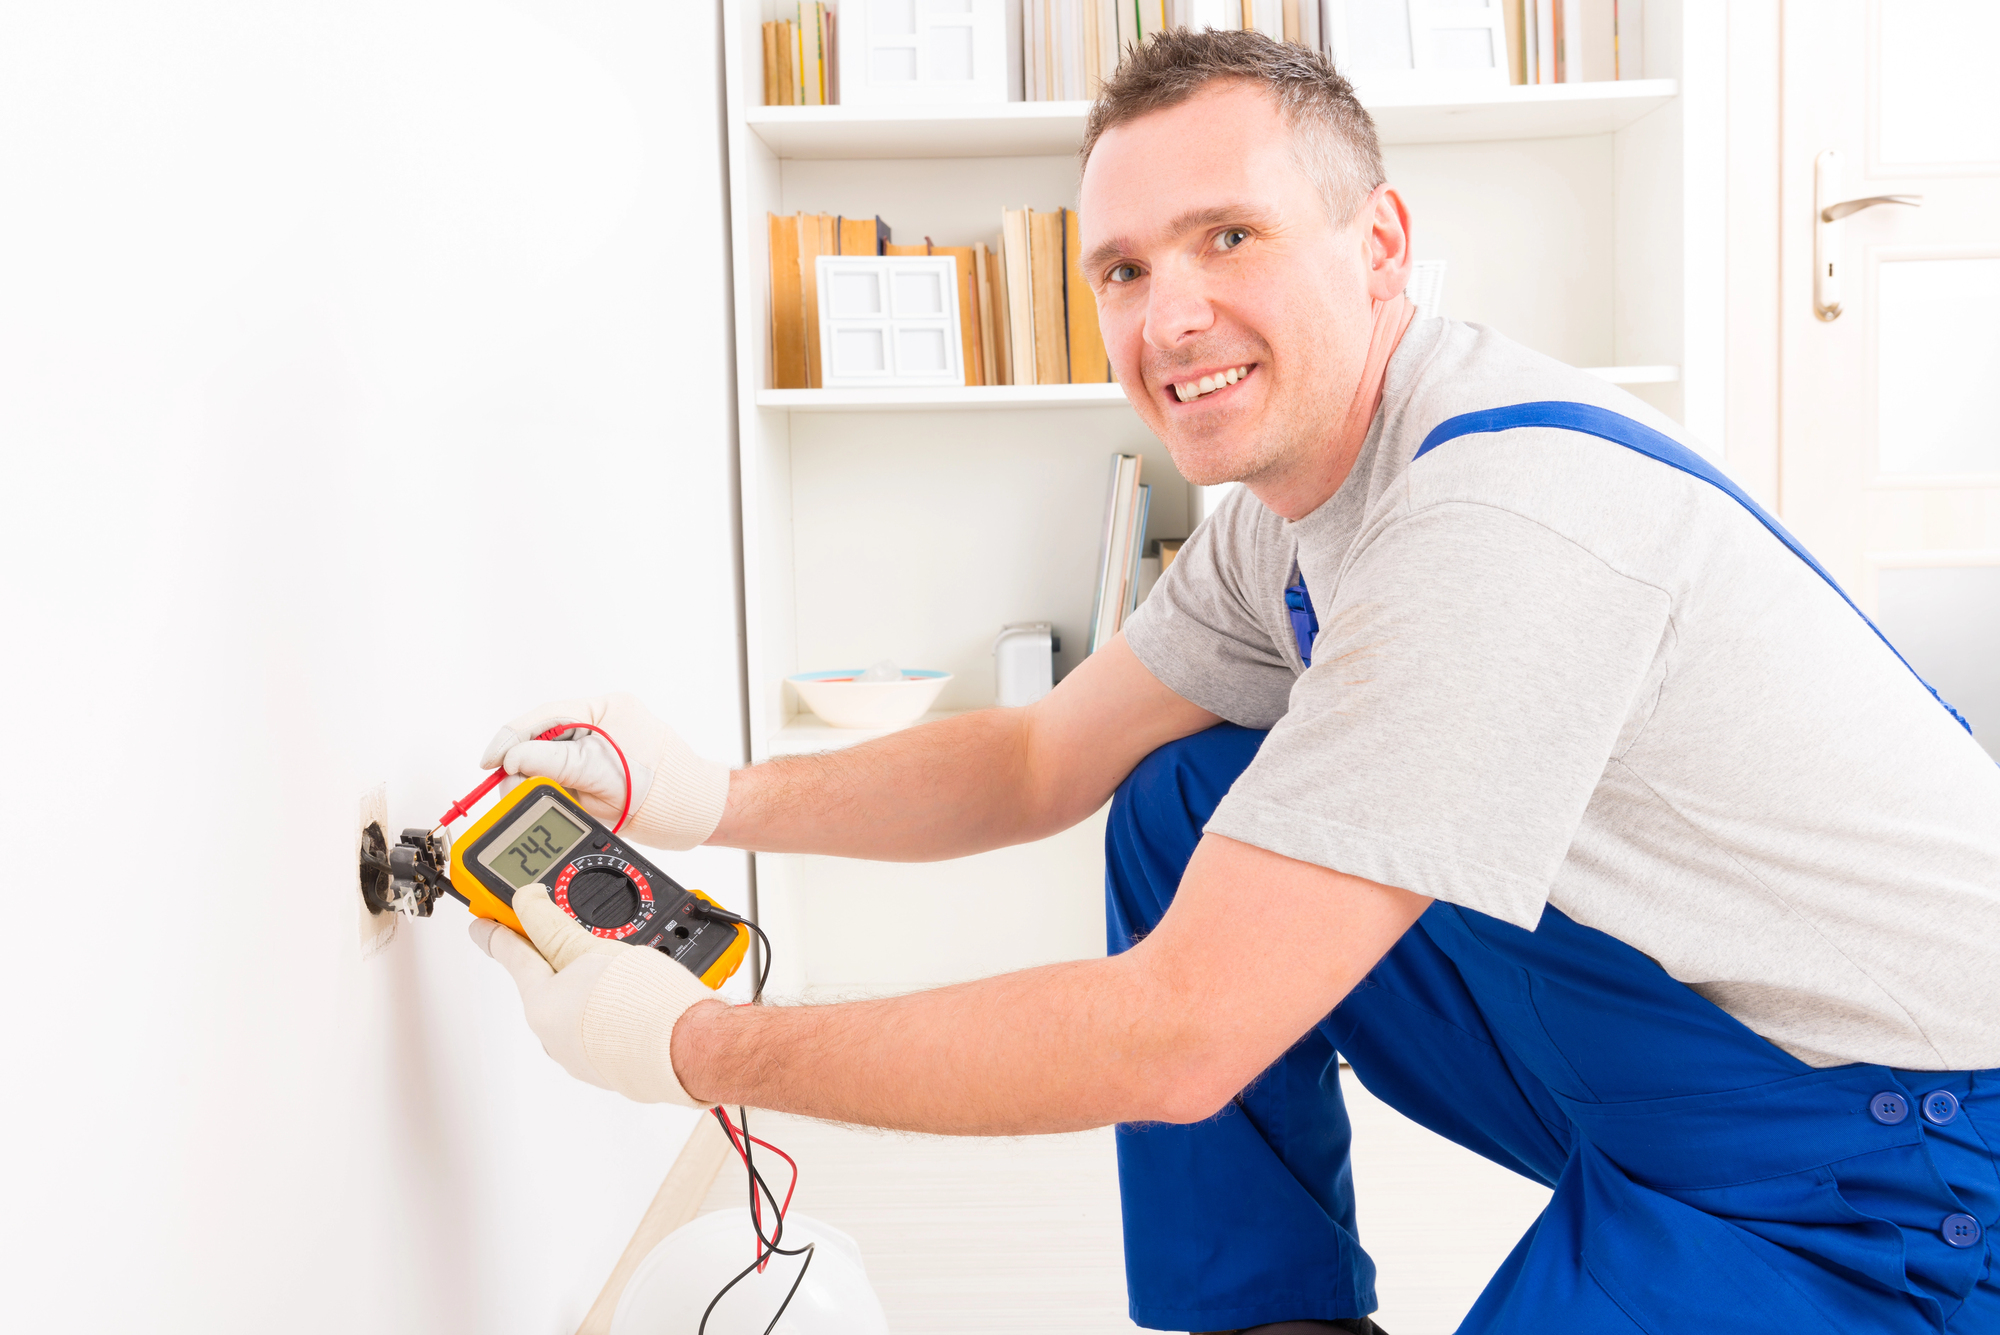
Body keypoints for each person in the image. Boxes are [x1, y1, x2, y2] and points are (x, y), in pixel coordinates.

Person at [469, 30, 2000, 1334]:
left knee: (1208, 944)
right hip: (1664, 1034)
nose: (1167, 315)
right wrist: (701, 795)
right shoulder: (1284, 510)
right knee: (1176, 797)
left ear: (1381, 242)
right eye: (1123, 269)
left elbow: (1178, 1032)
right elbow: (1034, 766)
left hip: (1890, 1151)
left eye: (1229, 237)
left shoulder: (1502, 523)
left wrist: (686, 1046)